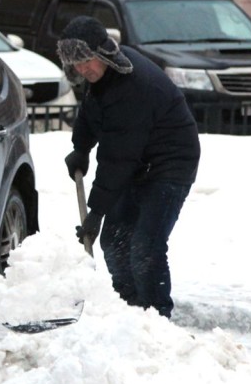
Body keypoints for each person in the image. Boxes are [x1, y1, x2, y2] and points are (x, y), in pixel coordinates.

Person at [57, 16, 201, 319]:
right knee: (114, 242)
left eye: (87, 61)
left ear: (103, 52)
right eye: (77, 65)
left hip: (170, 164)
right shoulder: (102, 78)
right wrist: (81, 147)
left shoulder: (133, 86)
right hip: (138, 163)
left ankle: (157, 318)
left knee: (145, 246)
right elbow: (91, 113)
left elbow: (117, 157)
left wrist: (96, 212)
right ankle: (132, 311)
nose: (84, 70)